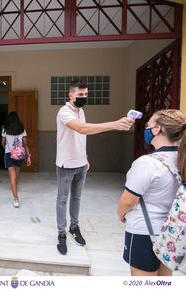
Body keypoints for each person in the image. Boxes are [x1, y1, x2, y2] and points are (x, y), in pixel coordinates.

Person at [118, 109, 186, 276]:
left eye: (149, 126)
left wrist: (121, 214)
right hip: (172, 232)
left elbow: (128, 200)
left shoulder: (147, 163)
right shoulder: (184, 160)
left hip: (144, 233)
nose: (146, 129)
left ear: (158, 130)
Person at [56, 80, 134, 255]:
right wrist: (114, 124)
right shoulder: (64, 112)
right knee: (62, 199)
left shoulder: (81, 111)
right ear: (70, 95)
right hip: (66, 164)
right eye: (80, 95)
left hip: (81, 163)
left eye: (85, 95)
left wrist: (85, 157)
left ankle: (74, 228)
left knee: (76, 198)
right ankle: (61, 233)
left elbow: (82, 137)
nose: (83, 98)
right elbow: (82, 129)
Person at [2, 112, 31, 208]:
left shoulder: (5, 129)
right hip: (20, 154)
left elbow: (3, 142)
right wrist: (28, 155)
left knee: (12, 175)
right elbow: (25, 144)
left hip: (9, 153)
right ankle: (15, 186)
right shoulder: (22, 129)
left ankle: (16, 199)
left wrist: (7, 147)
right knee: (17, 172)